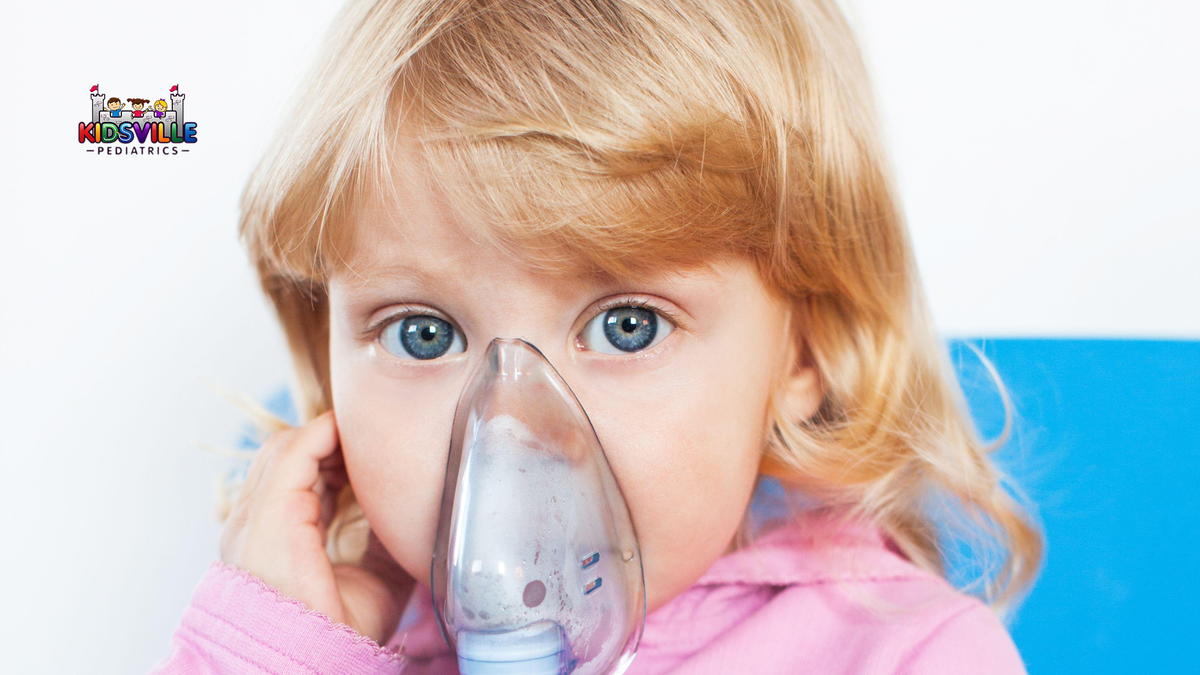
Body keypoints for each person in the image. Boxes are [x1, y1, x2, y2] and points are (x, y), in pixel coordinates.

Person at [151, 0, 1043, 672]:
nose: (514, 434)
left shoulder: (906, 656)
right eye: (424, 334)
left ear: (805, 349)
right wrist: (276, 650)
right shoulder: (339, 645)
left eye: (626, 325)